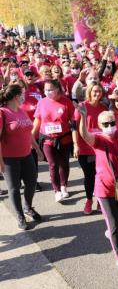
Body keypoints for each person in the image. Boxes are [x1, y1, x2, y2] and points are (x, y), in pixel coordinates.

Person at [76, 107, 118, 272]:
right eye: (106, 124)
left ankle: (111, 233)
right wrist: (83, 116)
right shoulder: (99, 139)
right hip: (104, 189)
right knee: (114, 224)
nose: (110, 126)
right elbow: (84, 134)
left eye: (112, 123)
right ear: (100, 125)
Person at [0, 84, 44, 230]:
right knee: (14, 188)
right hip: (9, 159)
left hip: (26, 155)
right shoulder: (2, 112)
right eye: (23, 94)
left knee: (31, 183)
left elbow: (28, 133)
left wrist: (37, 149)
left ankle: (28, 207)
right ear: (16, 96)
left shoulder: (21, 111)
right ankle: (20, 216)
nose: (25, 96)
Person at [33, 80, 75, 202]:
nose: (48, 92)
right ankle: (56, 190)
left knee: (64, 163)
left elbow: (73, 121)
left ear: (57, 89)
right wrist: (31, 138)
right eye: (46, 90)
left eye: (50, 89)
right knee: (52, 164)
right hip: (47, 139)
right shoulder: (42, 102)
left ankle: (63, 186)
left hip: (64, 138)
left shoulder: (66, 102)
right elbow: (37, 121)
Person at [73, 83, 107, 215]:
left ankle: (100, 199)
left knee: (100, 175)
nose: (97, 94)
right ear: (89, 92)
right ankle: (89, 200)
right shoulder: (82, 106)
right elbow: (74, 127)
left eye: (99, 91)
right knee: (89, 176)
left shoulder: (103, 107)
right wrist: (76, 144)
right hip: (85, 149)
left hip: (100, 149)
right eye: (94, 91)